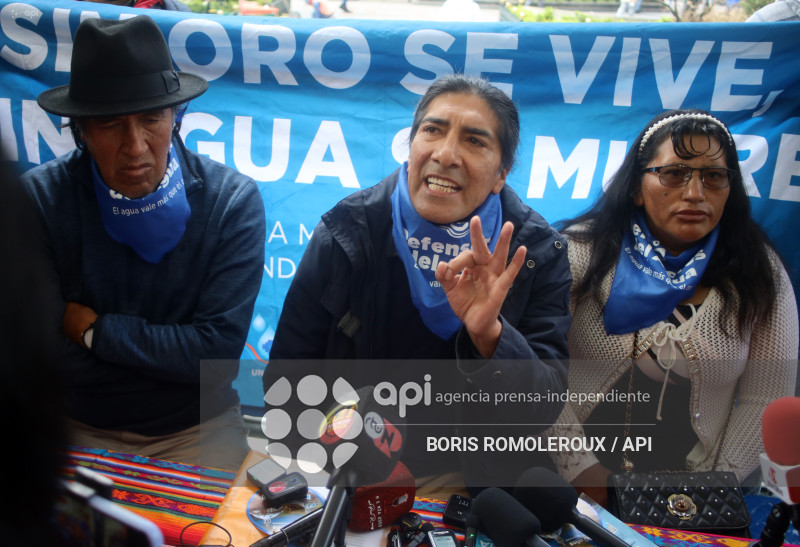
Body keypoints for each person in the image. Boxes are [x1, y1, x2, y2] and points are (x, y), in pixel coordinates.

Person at [263, 74, 571, 489]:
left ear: (502, 174)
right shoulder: (349, 231)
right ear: (411, 147)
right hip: (350, 472)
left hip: (470, 485)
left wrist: (491, 337)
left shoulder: (533, 253)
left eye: (474, 141)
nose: (445, 155)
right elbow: (287, 380)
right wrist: (338, 468)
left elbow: (543, 406)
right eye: (433, 131)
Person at [21, 15, 266, 471]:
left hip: (197, 428)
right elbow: (39, 354)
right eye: (111, 125)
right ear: (81, 131)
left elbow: (214, 357)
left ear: (176, 117)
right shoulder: (39, 200)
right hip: (73, 424)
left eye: (151, 119)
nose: (135, 147)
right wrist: (167, 357)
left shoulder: (230, 202)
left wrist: (93, 331)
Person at [547, 109, 798, 506]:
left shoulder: (761, 274)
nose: (695, 193)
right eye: (674, 173)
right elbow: (533, 371)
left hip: (700, 498)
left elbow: (765, 402)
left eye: (713, 176)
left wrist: (709, 488)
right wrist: (584, 473)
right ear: (636, 187)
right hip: (569, 488)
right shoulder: (580, 252)